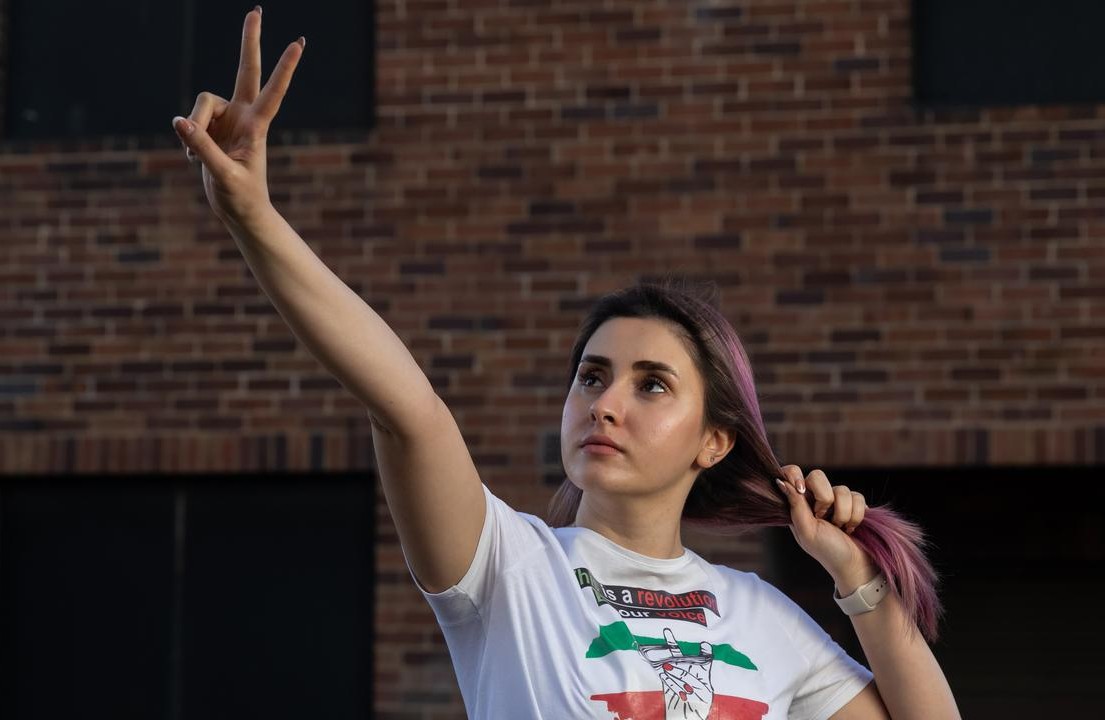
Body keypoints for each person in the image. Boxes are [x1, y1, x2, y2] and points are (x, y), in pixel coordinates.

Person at [172, 8, 960, 719]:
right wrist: (254, 218)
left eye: (651, 384)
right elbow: (406, 408)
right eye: (591, 376)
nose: (605, 403)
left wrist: (859, 581)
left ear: (714, 440)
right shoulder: (506, 570)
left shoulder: (761, 618)